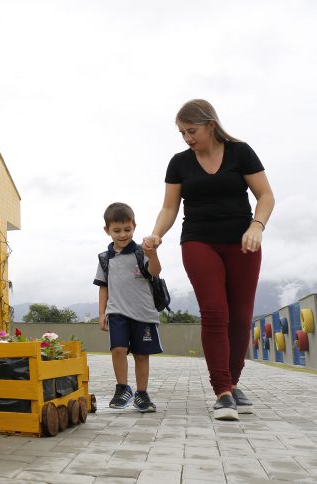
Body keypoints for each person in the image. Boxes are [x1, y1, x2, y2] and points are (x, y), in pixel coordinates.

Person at [143, 99, 274, 421]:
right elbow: (170, 207)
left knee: (241, 317)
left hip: (243, 242)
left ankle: (233, 383)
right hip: (198, 240)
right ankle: (223, 392)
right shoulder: (179, 163)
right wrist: (156, 233)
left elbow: (266, 195)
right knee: (215, 312)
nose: (187, 138)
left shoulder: (241, 152)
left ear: (211, 125)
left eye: (192, 131)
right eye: (182, 133)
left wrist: (257, 226)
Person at [94, 202, 163, 413]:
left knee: (141, 354)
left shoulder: (142, 252)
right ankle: (123, 388)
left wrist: (152, 254)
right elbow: (103, 287)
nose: (123, 234)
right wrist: (102, 313)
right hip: (117, 312)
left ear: (134, 226)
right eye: (117, 230)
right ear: (107, 230)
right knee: (118, 349)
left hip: (143, 313)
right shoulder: (105, 258)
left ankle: (142, 394)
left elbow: (155, 271)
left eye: (127, 229)